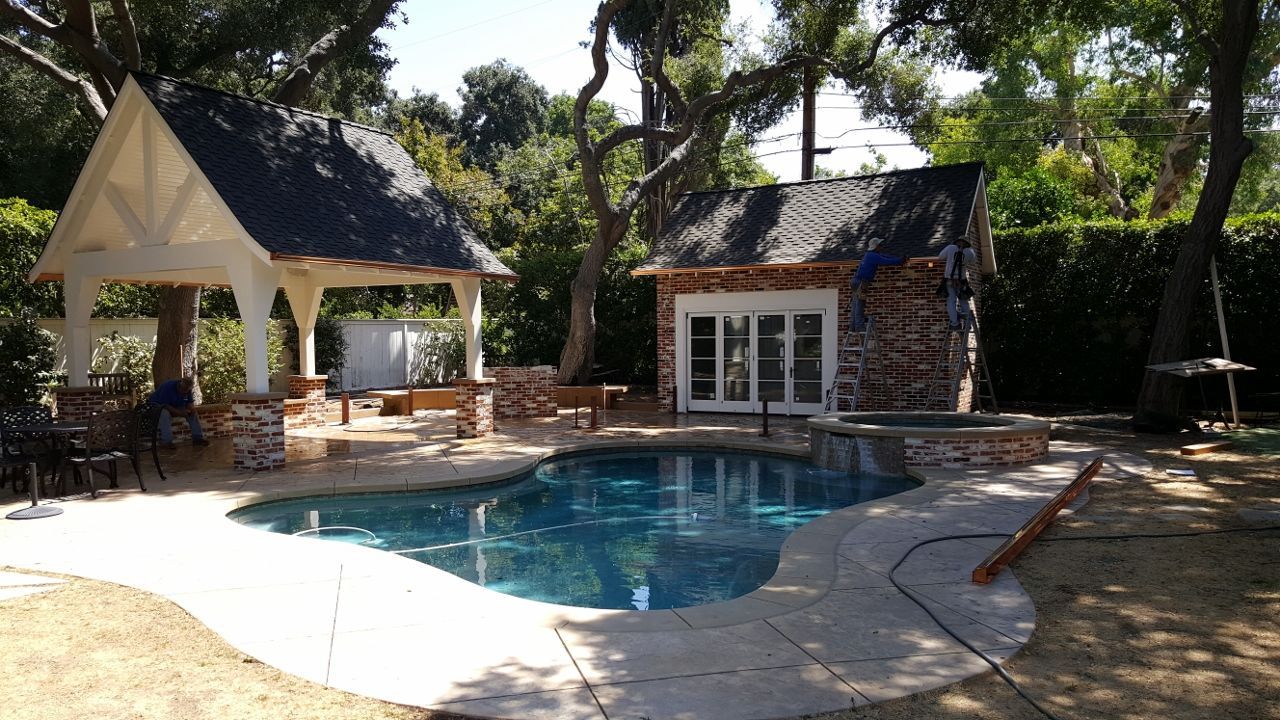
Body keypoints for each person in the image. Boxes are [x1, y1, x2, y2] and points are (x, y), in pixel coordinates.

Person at [849, 236, 905, 331]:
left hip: (855, 281)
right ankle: (860, 328)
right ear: (876, 246)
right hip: (862, 283)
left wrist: (899, 258)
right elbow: (886, 261)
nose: (881, 247)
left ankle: (853, 327)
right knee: (860, 305)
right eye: (880, 245)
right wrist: (900, 261)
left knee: (855, 305)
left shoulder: (869, 254)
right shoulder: (873, 256)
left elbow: (885, 256)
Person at [149, 376, 209, 448]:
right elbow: (165, 405)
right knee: (165, 414)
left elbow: (189, 402)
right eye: (183, 391)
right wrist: (179, 413)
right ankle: (166, 441)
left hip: (175, 405)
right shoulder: (168, 387)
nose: (184, 393)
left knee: (193, 414)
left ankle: (198, 438)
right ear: (179, 386)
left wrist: (192, 410)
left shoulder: (188, 389)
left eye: (186, 391)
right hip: (158, 405)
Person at [938, 236, 978, 330]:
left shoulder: (950, 248)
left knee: (951, 302)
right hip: (961, 281)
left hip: (949, 280)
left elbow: (940, 257)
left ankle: (955, 323)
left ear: (957, 241)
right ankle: (968, 324)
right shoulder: (970, 252)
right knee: (963, 301)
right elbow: (973, 262)